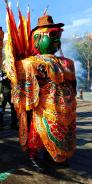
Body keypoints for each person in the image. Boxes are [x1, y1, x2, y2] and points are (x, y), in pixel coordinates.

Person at [8, 15, 77, 172]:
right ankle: (33, 156)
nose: (57, 40)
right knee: (38, 132)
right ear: (37, 39)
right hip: (42, 106)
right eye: (52, 36)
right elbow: (19, 82)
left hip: (65, 106)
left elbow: (72, 84)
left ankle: (55, 155)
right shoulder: (30, 63)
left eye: (58, 36)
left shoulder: (67, 62)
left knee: (64, 132)